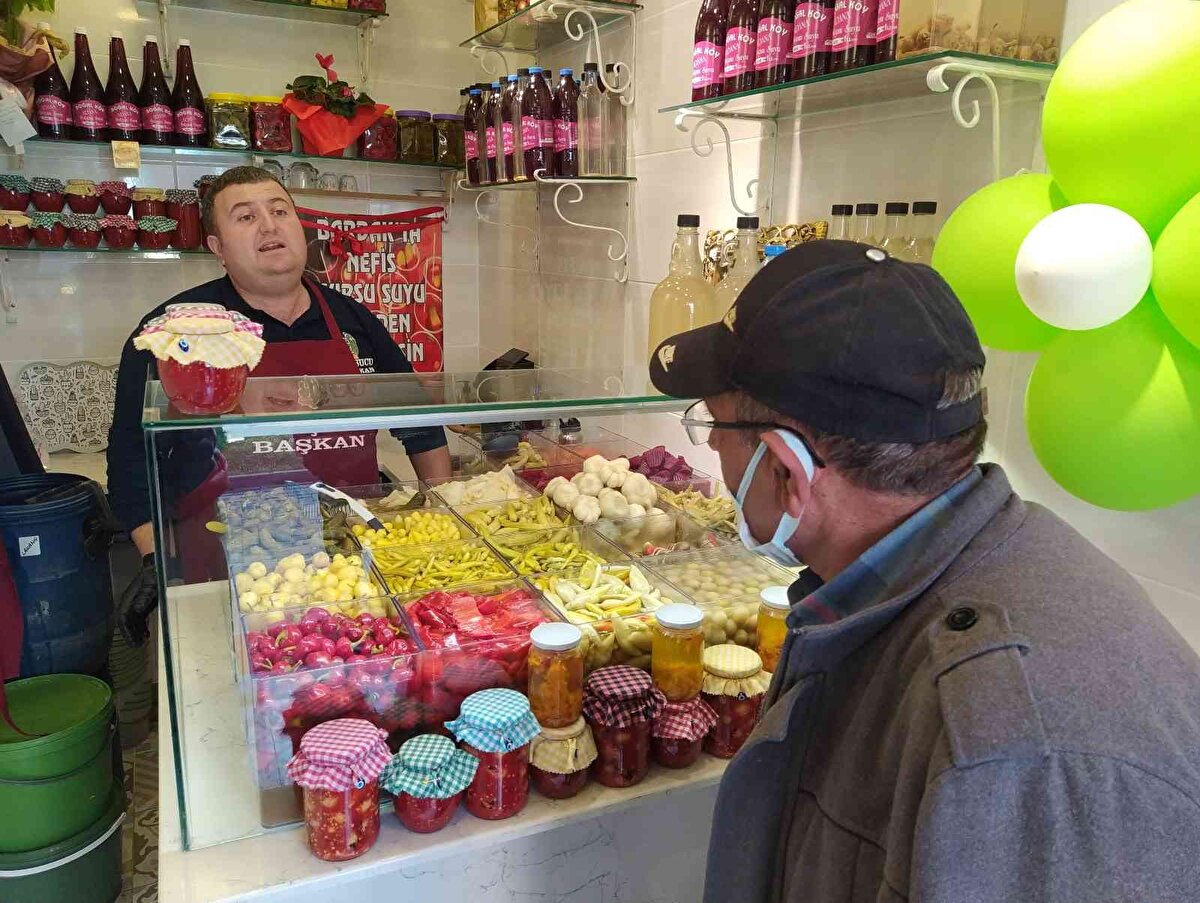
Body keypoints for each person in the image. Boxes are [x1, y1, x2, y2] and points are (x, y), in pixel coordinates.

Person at [649, 240, 1200, 902]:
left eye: (715, 425)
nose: (709, 447)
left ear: (784, 470)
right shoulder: (911, 582)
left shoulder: (1011, 752)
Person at [108, 166, 452, 645]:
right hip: (224, 557)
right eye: (245, 217)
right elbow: (130, 453)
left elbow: (418, 424)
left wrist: (446, 510)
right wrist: (153, 560)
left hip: (353, 553)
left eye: (279, 211)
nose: (269, 225)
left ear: (300, 228)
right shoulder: (176, 333)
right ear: (217, 248)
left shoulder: (354, 320)